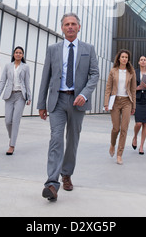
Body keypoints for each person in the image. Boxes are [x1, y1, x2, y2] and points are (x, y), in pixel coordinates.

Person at [37, 13, 99, 202]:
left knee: (72, 140)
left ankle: (66, 174)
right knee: (56, 139)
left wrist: (84, 94)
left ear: (79, 27)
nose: (70, 27)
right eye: (66, 24)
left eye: (73, 24)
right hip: (57, 101)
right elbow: (45, 77)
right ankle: (51, 184)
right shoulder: (52, 49)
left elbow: (94, 75)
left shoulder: (88, 49)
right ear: (62, 28)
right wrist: (41, 104)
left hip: (77, 102)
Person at [0, 46, 31, 155]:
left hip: (20, 96)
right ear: (13, 54)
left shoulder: (26, 67)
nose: (18, 54)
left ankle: (12, 145)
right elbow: (2, 81)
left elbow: (27, 82)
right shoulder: (7, 66)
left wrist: (29, 97)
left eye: (20, 53)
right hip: (9, 96)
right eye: (16, 52)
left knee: (15, 120)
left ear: (22, 55)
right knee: (8, 121)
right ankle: (12, 137)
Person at [104, 49, 136, 165]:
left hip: (127, 101)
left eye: (126, 57)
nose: (124, 59)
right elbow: (108, 88)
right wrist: (106, 103)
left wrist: (134, 106)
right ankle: (112, 144)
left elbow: (133, 90)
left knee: (124, 129)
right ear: (119, 58)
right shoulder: (113, 71)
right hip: (115, 101)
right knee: (116, 128)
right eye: (122, 57)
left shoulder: (131, 72)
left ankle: (119, 154)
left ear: (128, 60)